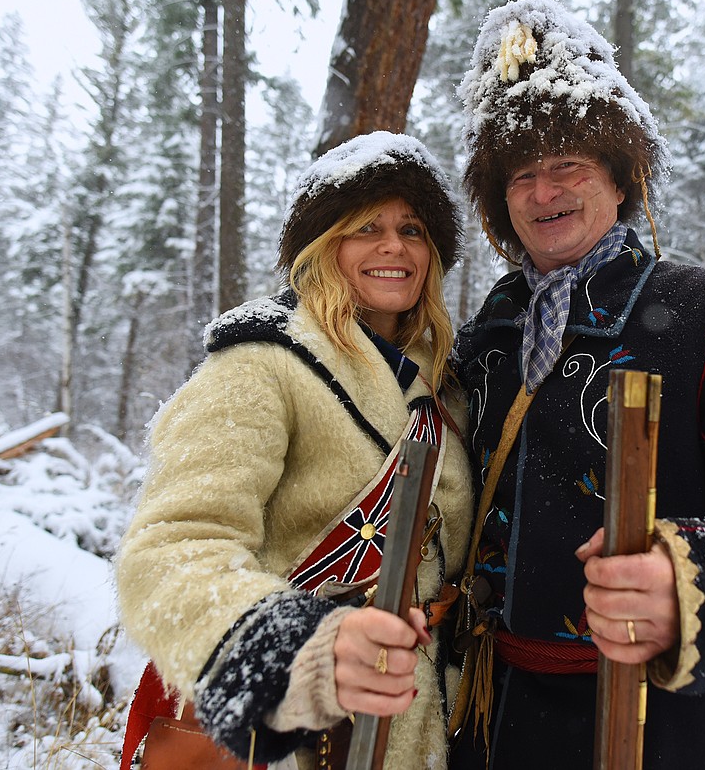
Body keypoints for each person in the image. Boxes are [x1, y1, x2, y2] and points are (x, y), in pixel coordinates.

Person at [447, 0, 705, 769]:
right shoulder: (486, 337)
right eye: (523, 174)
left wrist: (691, 586)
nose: (544, 192)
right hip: (485, 725)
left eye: (568, 162)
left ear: (620, 172)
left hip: (657, 732)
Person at [116, 131, 474, 770]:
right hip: (294, 732)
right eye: (367, 227)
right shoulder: (259, 365)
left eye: (413, 229)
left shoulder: (447, 388)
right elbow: (170, 551)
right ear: (325, 244)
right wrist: (300, 654)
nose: (394, 246)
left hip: (423, 722)